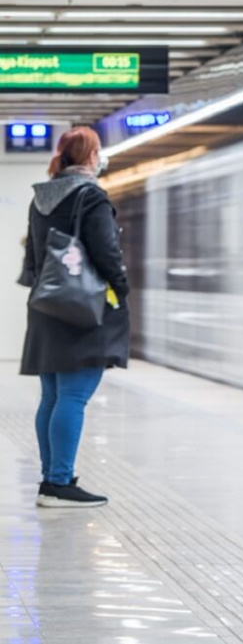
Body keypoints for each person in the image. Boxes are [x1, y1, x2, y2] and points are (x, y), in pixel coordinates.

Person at [19, 126, 129, 508]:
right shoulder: (90, 196)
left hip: (47, 304)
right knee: (74, 395)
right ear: (91, 156)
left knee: (52, 395)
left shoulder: (41, 198)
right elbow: (105, 251)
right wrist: (122, 286)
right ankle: (59, 482)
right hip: (82, 306)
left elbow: (31, 259)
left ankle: (53, 478)